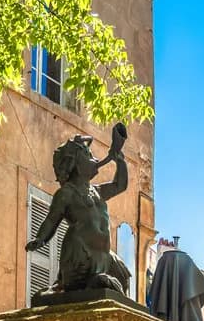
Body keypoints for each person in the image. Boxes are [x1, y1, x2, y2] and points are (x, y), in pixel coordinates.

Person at [25, 125, 132, 295]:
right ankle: (71, 283)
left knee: (123, 278)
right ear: (74, 163)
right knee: (101, 283)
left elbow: (120, 185)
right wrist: (40, 239)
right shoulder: (66, 193)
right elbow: (52, 220)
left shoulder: (97, 191)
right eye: (88, 155)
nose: (95, 159)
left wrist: (120, 161)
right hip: (81, 254)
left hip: (103, 256)